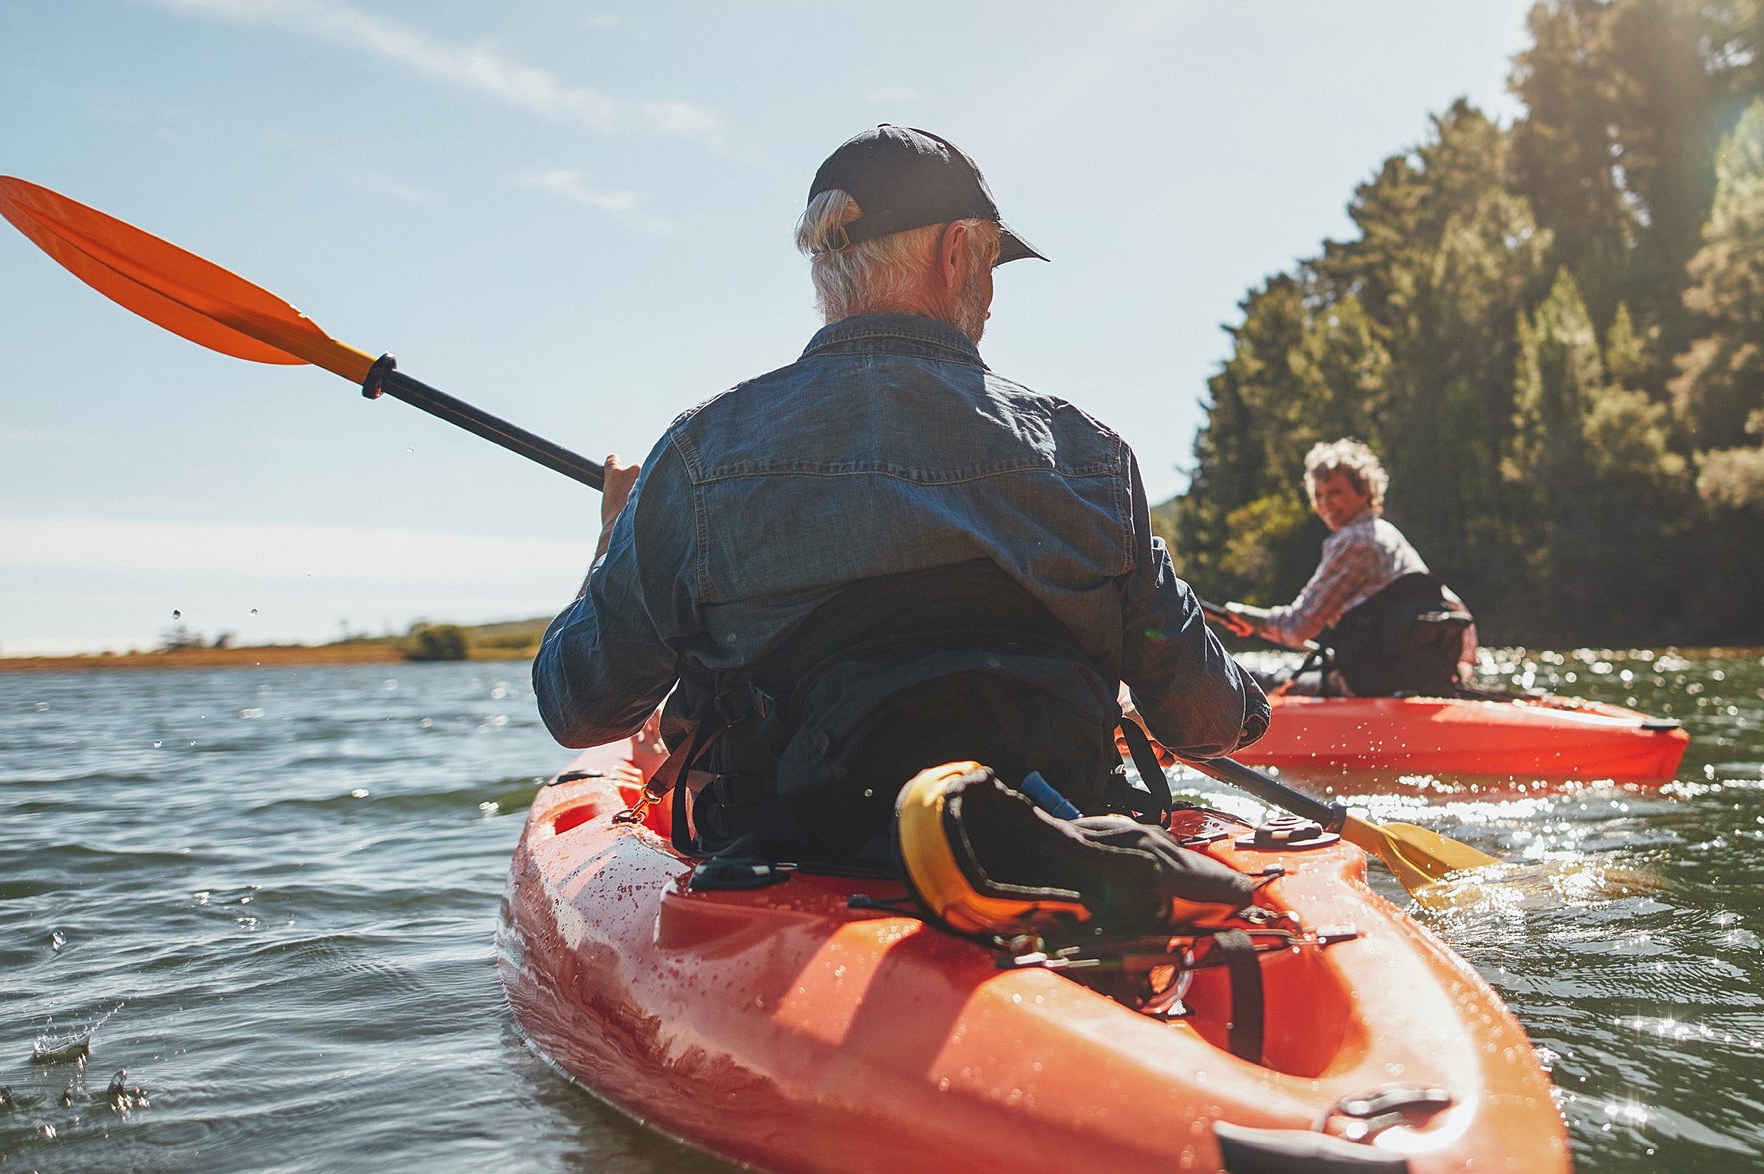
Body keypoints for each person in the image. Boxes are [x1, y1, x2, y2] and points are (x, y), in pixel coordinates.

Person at [534, 125, 1267, 869]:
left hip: (790, 864)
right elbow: (1204, 720)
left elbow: (579, 706)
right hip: (1055, 855)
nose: (990, 296)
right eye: (990, 263)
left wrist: (615, 538)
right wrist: (1249, 704)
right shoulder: (1092, 458)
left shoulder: (698, 457)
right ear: (955, 254)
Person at [1202, 439, 1476, 697]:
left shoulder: (1352, 540)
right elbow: (1454, 608)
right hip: (1402, 675)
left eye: (1335, 493)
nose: (1325, 505)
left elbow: (1297, 627)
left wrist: (1247, 618)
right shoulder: (1386, 533)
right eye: (1318, 495)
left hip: (1370, 683)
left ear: (1364, 492)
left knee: (1234, 674)